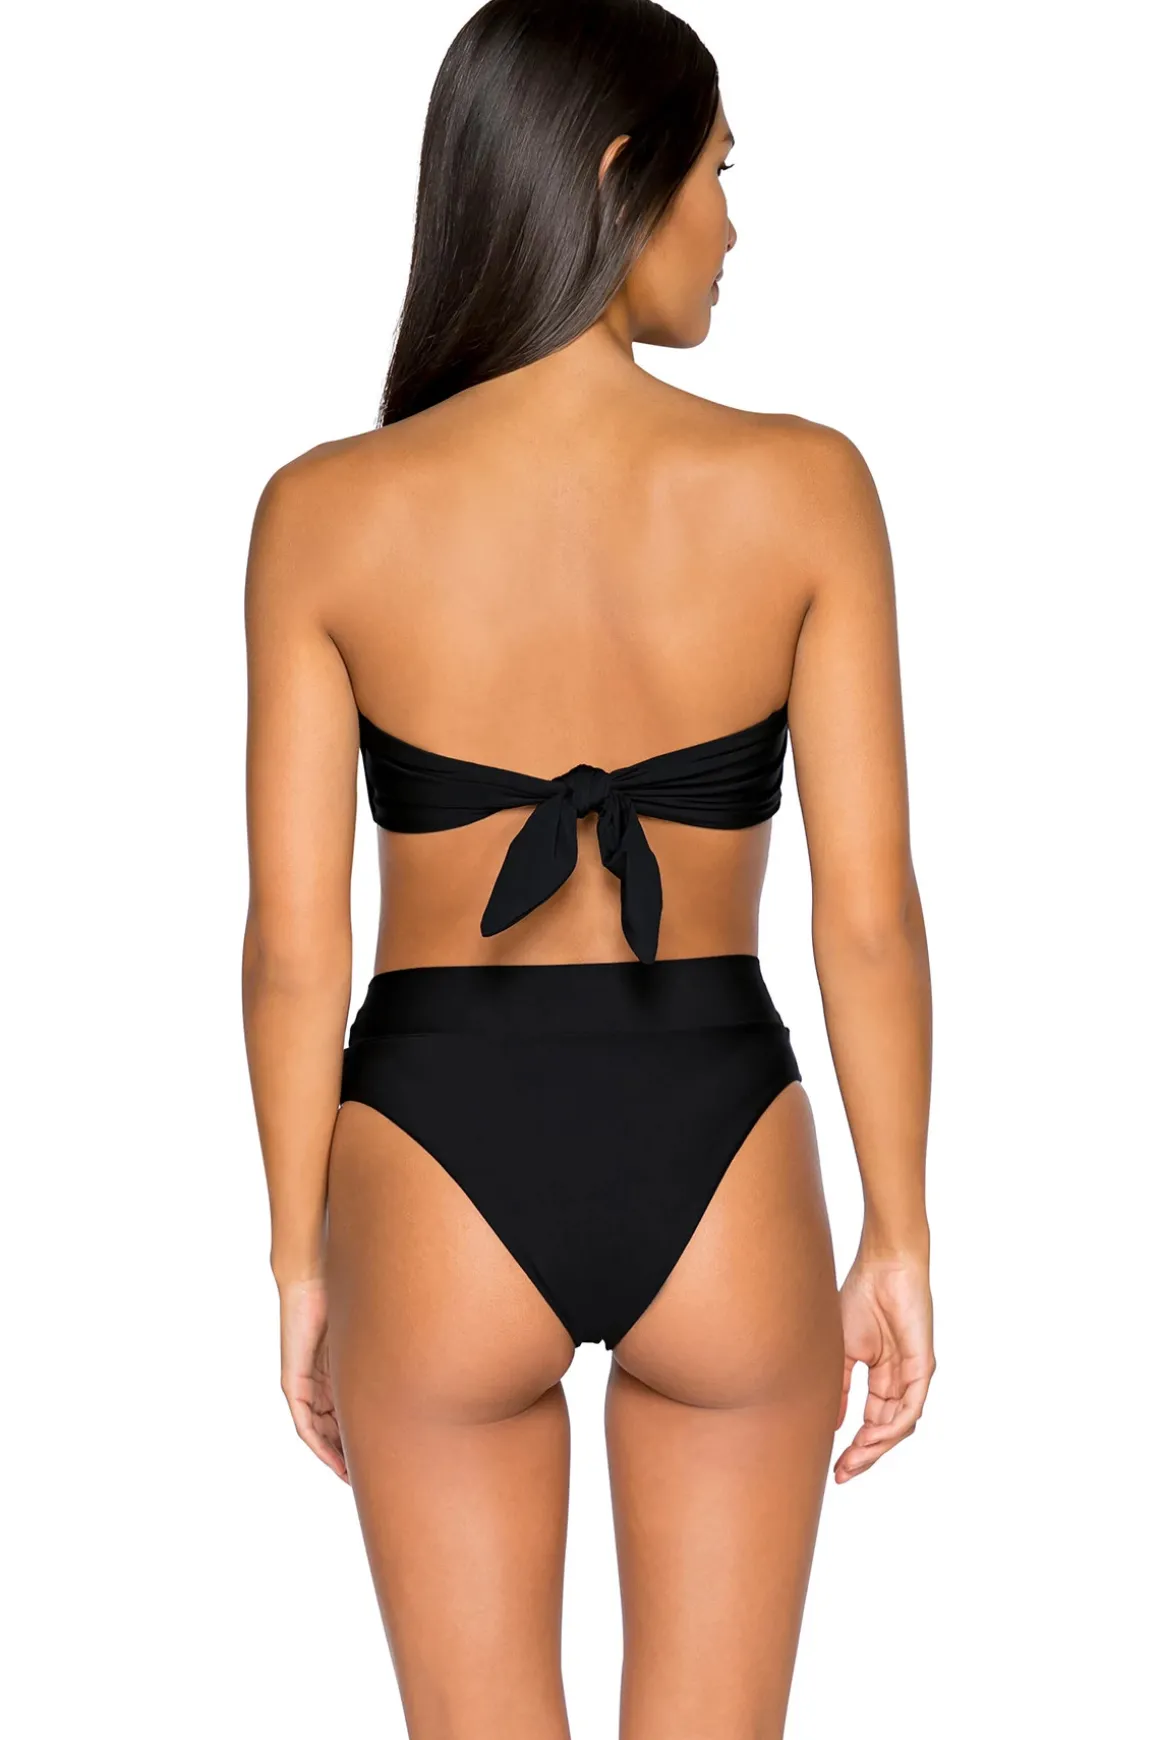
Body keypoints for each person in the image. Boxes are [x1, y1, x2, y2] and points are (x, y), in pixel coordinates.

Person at [241, 1, 935, 1734]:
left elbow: (291, 951)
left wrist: (299, 1260)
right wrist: (898, 1226)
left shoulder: (324, 512)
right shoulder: (807, 488)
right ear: (623, 176)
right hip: (721, 1133)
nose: (735, 225)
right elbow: (867, 917)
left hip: (429, 1151)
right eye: (720, 174)